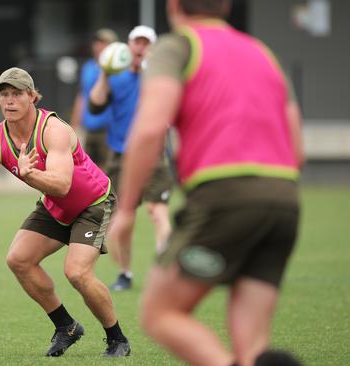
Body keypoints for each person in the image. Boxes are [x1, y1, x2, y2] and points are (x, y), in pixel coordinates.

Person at [107, 0, 305, 365]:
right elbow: (297, 147)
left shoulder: (178, 46)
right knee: (253, 346)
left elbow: (151, 128)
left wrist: (125, 209)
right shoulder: (262, 52)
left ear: (173, 6)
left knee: (159, 314)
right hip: (285, 197)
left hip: (224, 194)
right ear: (227, 5)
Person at [0, 67, 131, 357]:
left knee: (76, 273)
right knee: (18, 260)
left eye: (17, 94)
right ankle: (66, 326)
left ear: (32, 97)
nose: (10, 101)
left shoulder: (54, 130)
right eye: (4, 94)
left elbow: (62, 184)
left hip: (93, 203)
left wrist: (30, 174)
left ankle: (117, 339)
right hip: (56, 206)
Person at [89, 25, 173, 291]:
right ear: (128, 46)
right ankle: (125, 274)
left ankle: (165, 270)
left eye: (145, 43)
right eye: (136, 42)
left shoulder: (158, 76)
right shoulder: (115, 76)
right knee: (123, 217)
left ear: (152, 48)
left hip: (153, 152)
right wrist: (105, 71)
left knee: (157, 211)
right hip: (119, 154)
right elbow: (95, 104)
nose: (140, 47)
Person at [69, 28, 118, 170]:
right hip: (90, 128)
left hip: (109, 129)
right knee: (89, 170)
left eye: (104, 43)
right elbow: (82, 96)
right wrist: (74, 126)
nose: (99, 46)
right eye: (97, 42)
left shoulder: (118, 69)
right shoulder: (88, 67)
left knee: (108, 171)